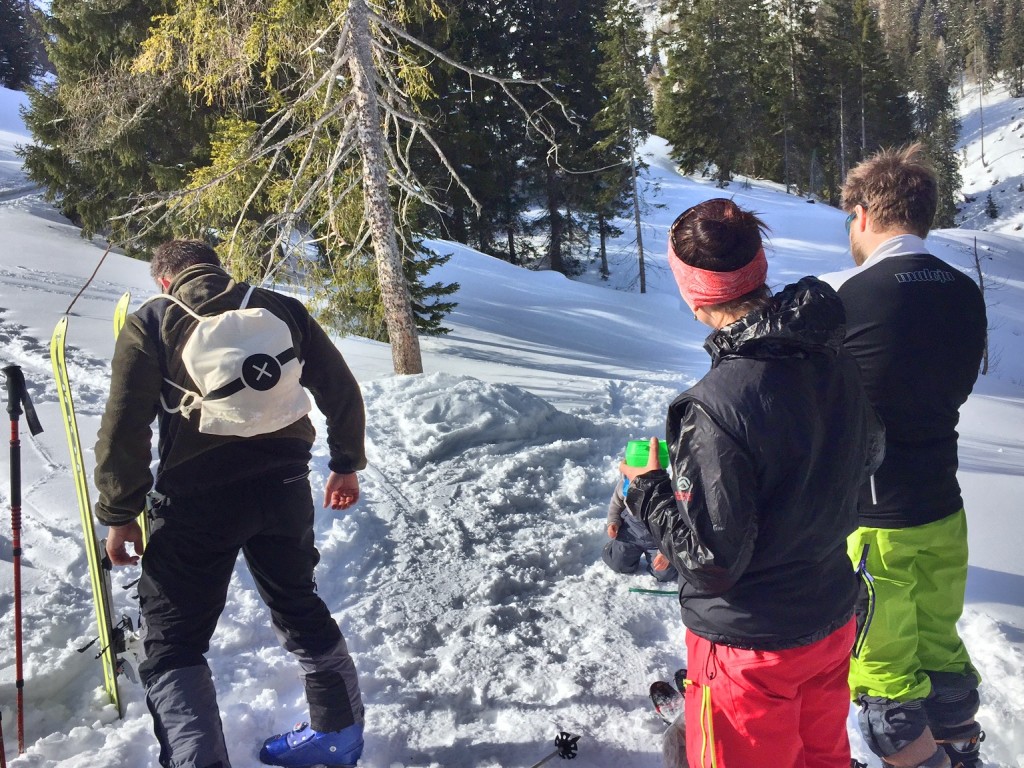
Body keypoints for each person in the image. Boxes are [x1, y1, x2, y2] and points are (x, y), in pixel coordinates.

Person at [623, 198, 883, 768]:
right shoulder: (831, 353)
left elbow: (711, 562)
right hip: (829, 616)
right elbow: (871, 452)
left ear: (694, 293)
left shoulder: (716, 405)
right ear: (758, 269)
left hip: (750, 647)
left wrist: (646, 488)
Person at [94, 239, 367, 768]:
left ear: (163, 281)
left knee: (173, 642)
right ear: (219, 269)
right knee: (298, 601)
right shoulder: (278, 306)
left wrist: (120, 514)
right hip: (284, 484)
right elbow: (341, 389)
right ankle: (338, 737)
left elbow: (125, 425)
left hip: (197, 497)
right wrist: (345, 463)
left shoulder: (154, 320)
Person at [820, 144, 988, 768]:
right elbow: (957, 386)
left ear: (863, 214)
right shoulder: (964, 292)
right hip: (944, 510)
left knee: (885, 687)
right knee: (941, 655)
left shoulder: (847, 296)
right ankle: (963, 755)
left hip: (876, 521)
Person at [603, 477, 678, 582]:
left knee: (666, 574)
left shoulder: (665, 490)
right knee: (618, 564)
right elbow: (616, 504)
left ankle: (659, 562)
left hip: (657, 539)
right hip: (630, 532)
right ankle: (613, 549)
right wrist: (613, 522)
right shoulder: (626, 483)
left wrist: (666, 552)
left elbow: (673, 525)